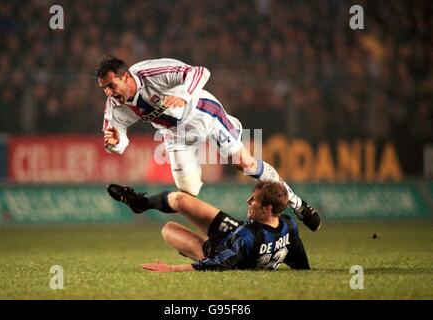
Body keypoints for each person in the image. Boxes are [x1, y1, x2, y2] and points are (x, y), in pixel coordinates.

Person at [95, 55, 320, 231]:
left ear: (125, 77)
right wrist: (116, 143)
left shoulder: (153, 72)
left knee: (245, 164)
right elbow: (117, 137)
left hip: (203, 114)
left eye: (111, 85)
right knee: (186, 194)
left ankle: (297, 203)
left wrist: (183, 95)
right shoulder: (115, 106)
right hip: (175, 133)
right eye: (104, 88)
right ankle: (140, 203)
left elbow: (200, 72)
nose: (108, 92)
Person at [107, 181, 311, 272]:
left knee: (168, 228)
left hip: (216, 250)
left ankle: (193, 250)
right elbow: (296, 252)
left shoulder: (248, 236)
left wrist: (173, 269)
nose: (248, 201)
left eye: (254, 200)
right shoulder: (288, 224)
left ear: (267, 209)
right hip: (235, 233)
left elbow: (219, 263)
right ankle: (140, 203)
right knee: (179, 200)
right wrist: (305, 269)